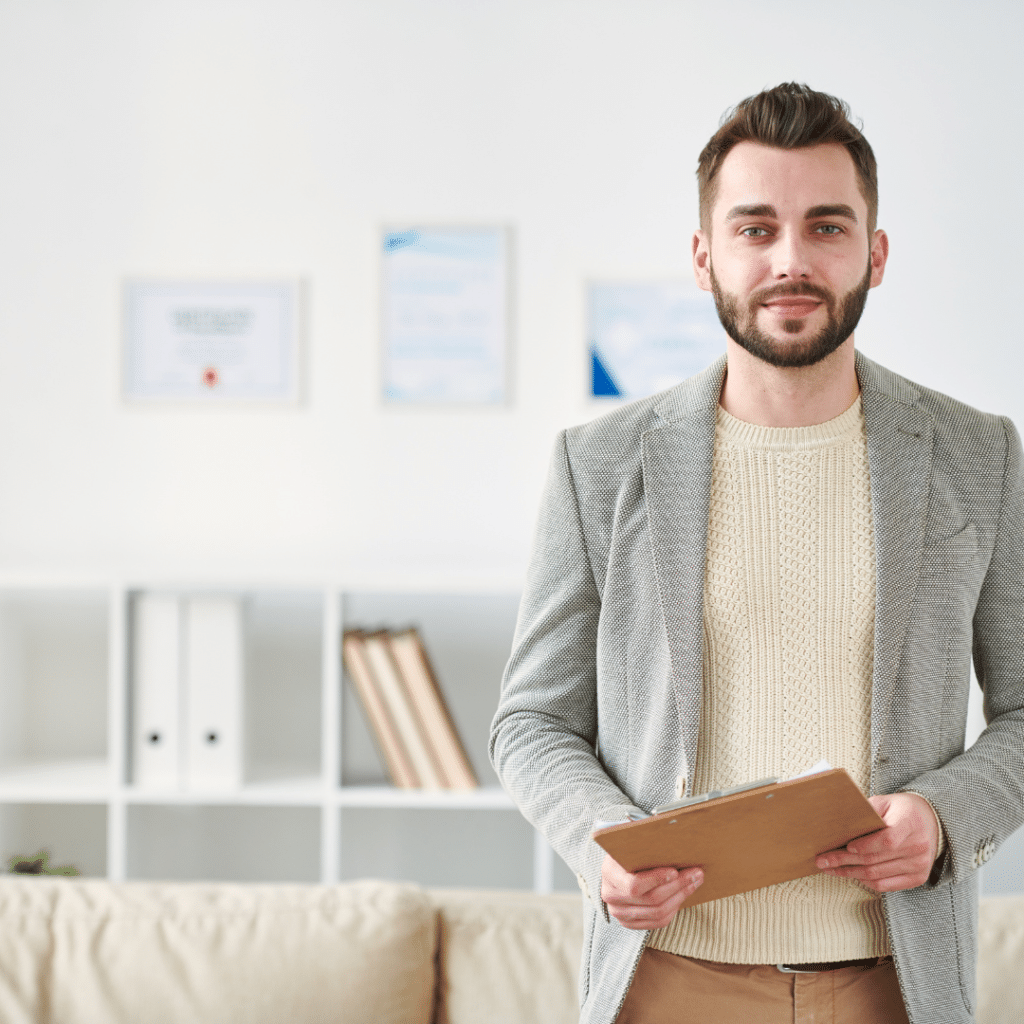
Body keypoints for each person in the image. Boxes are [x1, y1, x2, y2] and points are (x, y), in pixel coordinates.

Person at [489, 83, 1024, 1024]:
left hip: (894, 981)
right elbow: (531, 723)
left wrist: (945, 819)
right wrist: (601, 841)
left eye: (826, 227)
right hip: (665, 979)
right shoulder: (599, 466)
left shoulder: (979, 456)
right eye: (754, 229)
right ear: (705, 258)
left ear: (875, 253)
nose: (791, 260)